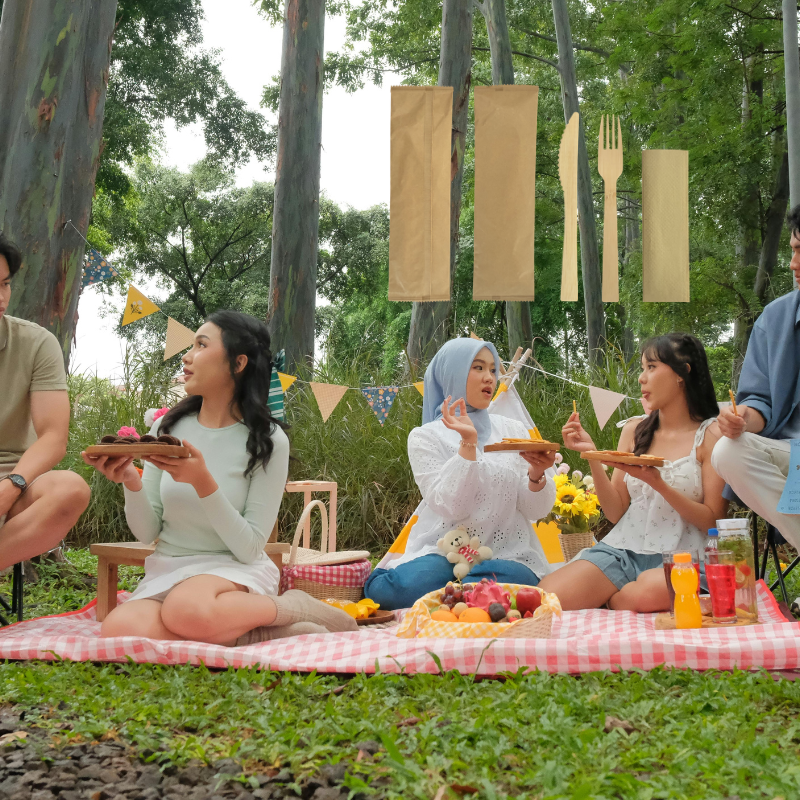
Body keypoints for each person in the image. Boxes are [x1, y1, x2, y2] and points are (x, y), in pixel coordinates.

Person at [83, 310, 357, 644]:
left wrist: (202, 482)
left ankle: (294, 607)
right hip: (171, 567)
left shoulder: (268, 441)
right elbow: (148, 532)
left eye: (201, 345)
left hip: (234, 570)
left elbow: (249, 547)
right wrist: (130, 480)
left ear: (238, 363)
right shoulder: (167, 428)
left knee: (184, 609)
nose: (187, 356)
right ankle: (259, 632)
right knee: (119, 630)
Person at [364, 338, 557, 610]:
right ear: (451, 373)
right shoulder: (424, 437)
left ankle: (455, 594)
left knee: (518, 578)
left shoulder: (513, 429)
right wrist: (468, 444)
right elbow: (453, 505)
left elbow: (535, 511)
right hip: (444, 551)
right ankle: (475, 594)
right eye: (478, 368)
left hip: (505, 553)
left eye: (493, 369)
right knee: (388, 593)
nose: (489, 378)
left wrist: (537, 475)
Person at [538, 334, 727, 611]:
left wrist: (659, 484)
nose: (641, 378)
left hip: (685, 555)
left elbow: (713, 521)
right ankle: (615, 593)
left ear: (682, 373)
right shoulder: (634, 431)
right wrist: (591, 454)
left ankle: (612, 596)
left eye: (651, 367)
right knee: (548, 596)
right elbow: (615, 512)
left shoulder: (710, 435)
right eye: (642, 368)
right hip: (623, 550)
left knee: (643, 594)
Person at [0, 233, 90, 571]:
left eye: (5, 284)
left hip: (13, 475)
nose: (1, 297)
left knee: (70, 490)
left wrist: (12, 486)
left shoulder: (37, 343)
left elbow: (53, 437)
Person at [712, 206, 800, 549]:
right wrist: (742, 419)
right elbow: (758, 400)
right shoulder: (774, 319)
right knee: (728, 451)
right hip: (789, 454)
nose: (793, 264)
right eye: (793, 250)